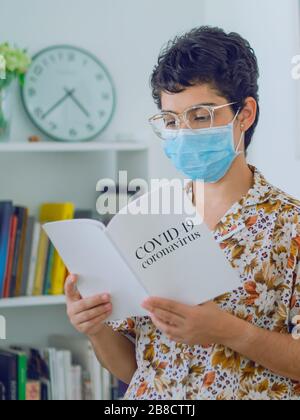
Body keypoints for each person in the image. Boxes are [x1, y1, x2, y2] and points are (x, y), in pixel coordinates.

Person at [65, 26, 300, 400]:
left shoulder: (291, 225)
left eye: (201, 117)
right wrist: (94, 327)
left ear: (245, 114)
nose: (184, 132)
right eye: (172, 121)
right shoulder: (146, 218)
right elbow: (136, 368)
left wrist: (227, 330)